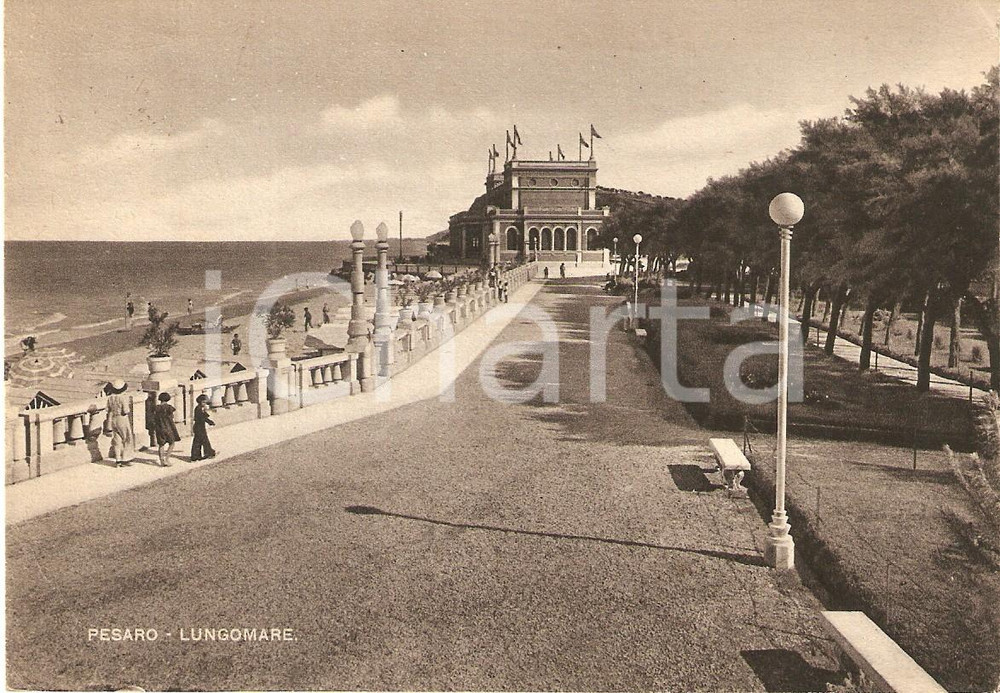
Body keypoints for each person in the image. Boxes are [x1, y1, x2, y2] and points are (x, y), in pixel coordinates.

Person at [104, 379, 135, 467]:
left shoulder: (110, 398)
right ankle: (126, 458)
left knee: (117, 440)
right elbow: (125, 411)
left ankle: (118, 460)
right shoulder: (123, 397)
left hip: (113, 419)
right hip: (122, 419)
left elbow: (107, 410)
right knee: (127, 438)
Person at [151, 392, 181, 467]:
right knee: (172, 443)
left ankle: (161, 460)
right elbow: (171, 417)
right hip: (168, 427)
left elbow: (154, 418)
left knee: (161, 444)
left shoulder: (156, 408)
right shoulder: (169, 408)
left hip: (159, 428)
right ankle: (167, 459)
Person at [190, 394, 216, 461]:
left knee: (199, 441)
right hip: (199, 427)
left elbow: (204, 416)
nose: (204, 404)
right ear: (200, 402)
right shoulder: (198, 409)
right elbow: (203, 418)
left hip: (200, 427)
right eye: (203, 402)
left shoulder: (200, 408)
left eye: (205, 402)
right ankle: (208, 453)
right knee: (202, 441)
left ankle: (196, 456)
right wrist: (210, 422)